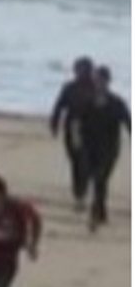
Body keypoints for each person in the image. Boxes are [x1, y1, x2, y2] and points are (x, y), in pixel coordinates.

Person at [78, 66, 131, 231]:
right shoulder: (87, 101)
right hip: (89, 148)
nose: (98, 83)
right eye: (96, 80)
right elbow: (77, 121)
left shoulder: (117, 103)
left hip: (109, 149)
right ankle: (101, 212)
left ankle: (95, 214)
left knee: (100, 178)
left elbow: (129, 123)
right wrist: (76, 140)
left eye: (101, 80)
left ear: (108, 82)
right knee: (97, 181)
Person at [49, 56, 95, 210]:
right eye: (77, 69)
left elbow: (109, 108)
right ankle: (79, 194)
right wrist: (54, 124)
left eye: (83, 69)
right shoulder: (69, 88)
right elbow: (59, 106)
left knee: (87, 163)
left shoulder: (96, 88)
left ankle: (83, 192)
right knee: (76, 162)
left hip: (92, 130)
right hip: (73, 128)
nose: (79, 72)